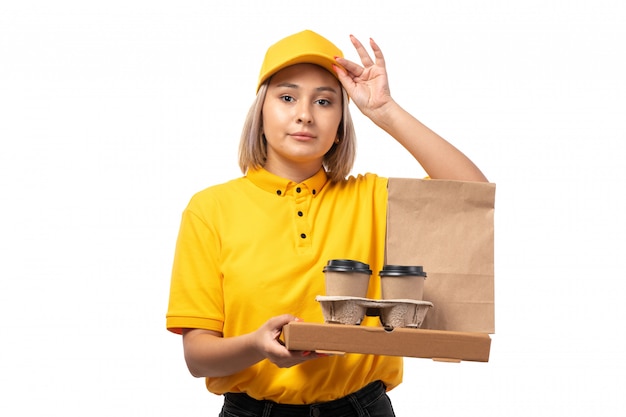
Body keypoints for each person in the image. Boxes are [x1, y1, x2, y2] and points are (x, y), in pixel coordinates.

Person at [166, 29, 487, 417]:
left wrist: (384, 110)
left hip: (361, 408)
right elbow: (198, 358)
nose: (304, 113)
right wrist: (256, 345)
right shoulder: (210, 209)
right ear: (261, 112)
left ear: (340, 125)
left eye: (324, 101)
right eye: (287, 97)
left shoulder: (370, 197)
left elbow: (472, 192)